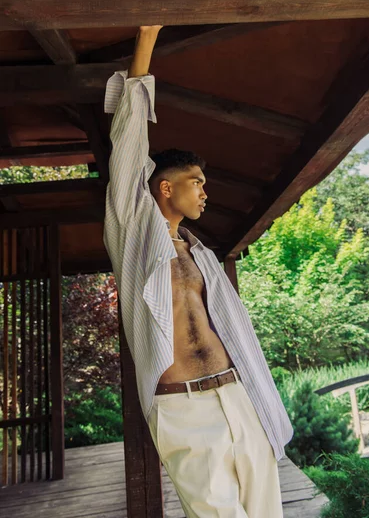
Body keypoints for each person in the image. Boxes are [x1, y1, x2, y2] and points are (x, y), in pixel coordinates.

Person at [103, 25, 293, 518]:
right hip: (182, 407)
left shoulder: (200, 252)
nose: (205, 192)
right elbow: (127, 137)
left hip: (236, 391)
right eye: (196, 182)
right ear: (164, 188)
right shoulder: (133, 234)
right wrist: (147, 36)